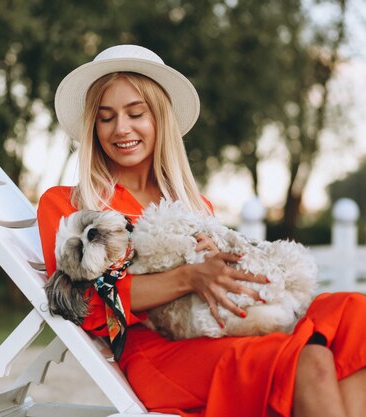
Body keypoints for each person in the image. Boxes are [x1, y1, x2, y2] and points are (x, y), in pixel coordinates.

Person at [37, 44, 366, 417]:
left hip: (221, 326)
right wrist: (189, 277)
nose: (121, 129)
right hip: (157, 352)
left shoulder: (194, 205)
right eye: (106, 117)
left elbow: (228, 274)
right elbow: (88, 307)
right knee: (310, 359)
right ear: (93, 126)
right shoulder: (72, 206)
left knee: (356, 315)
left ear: (160, 118)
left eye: (135, 113)